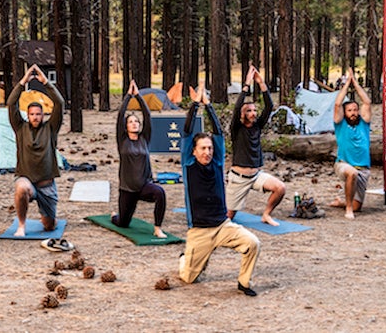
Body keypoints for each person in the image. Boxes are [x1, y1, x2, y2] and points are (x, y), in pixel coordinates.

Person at [178, 86, 261, 297]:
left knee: (253, 243)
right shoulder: (188, 165)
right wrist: (196, 104)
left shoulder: (216, 163)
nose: (207, 152)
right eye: (202, 148)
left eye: (209, 148)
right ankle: (184, 258)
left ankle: (244, 282)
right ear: (194, 151)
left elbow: (218, 133)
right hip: (199, 232)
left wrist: (208, 105)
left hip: (223, 226)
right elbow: (187, 132)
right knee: (188, 278)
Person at [7, 64, 65, 237]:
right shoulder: (19, 128)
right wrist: (23, 82)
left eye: (38, 114)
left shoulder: (51, 128)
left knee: (49, 226)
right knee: (21, 188)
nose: (35, 117)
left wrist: (45, 82)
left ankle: (47, 217)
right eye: (32, 114)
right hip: (27, 180)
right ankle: (22, 226)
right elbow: (11, 103)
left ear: (43, 115)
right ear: (28, 115)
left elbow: (59, 103)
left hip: (46, 184)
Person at [226, 65, 286, 226]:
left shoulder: (257, 126)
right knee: (228, 217)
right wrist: (246, 84)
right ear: (242, 115)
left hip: (256, 176)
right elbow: (237, 107)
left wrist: (261, 83)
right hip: (239, 178)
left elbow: (269, 106)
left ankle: (266, 214)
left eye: (253, 110)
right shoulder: (236, 129)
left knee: (280, 188)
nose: (252, 113)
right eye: (248, 111)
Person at [113, 80, 167, 238]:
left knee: (160, 193)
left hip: (144, 186)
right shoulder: (122, 140)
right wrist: (129, 96)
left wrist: (139, 96)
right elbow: (120, 116)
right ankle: (113, 216)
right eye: (131, 122)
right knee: (123, 222)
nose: (134, 123)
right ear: (126, 126)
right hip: (127, 189)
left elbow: (147, 115)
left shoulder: (145, 138)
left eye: (136, 121)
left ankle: (158, 228)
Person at [330, 71, 372, 219]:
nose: (353, 113)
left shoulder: (363, 123)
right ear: (345, 112)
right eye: (350, 110)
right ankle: (348, 209)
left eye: (355, 110)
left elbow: (367, 102)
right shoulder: (340, 124)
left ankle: (343, 202)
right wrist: (347, 84)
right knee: (351, 173)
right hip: (344, 164)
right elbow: (337, 104)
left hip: (363, 169)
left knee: (358, 206)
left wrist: (356, 84)